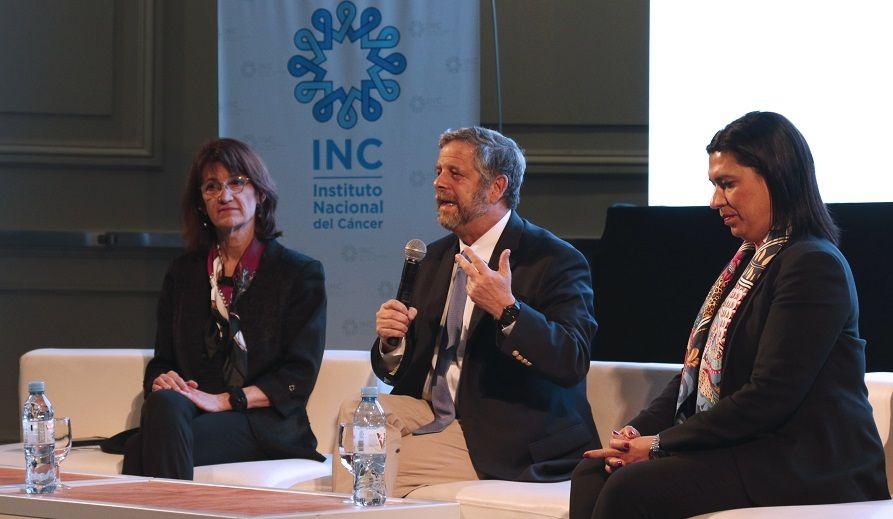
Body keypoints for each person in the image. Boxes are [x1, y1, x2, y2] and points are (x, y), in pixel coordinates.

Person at [569, 111, 890, 518]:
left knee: (630, 488)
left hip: (806, 462)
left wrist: (660, 444)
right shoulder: (749, 263)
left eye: (728, 184)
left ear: (776, 177)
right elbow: (696, 373)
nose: (715, 201)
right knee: (593, 472)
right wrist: (634, 433)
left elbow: (769, 396)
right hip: (752, 447)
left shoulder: (813, 264)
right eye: (715, 185)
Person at [332, 126, 599, 497]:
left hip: (506, 431)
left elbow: (572, 359)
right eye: (438, 172)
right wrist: (391, 342)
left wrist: (508, 311)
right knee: (358, 415)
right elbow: (398, 371)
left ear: (496, 187)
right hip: (432, 411)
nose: (439, 183)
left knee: (367, 464)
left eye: (455, 174)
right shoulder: (433, 258)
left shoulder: (553, 259)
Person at [122, 138, 327, 479]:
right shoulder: (183, 273)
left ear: (260, 194)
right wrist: (163, 379)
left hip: (262, 422)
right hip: (192, 412)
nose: (225, 196)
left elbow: (298, 376)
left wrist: (224, 401)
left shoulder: (299, 273)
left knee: (140, 448)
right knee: (163, 401)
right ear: (202, 203)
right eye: (212, 187)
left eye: (236, 183)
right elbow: (162, 359)